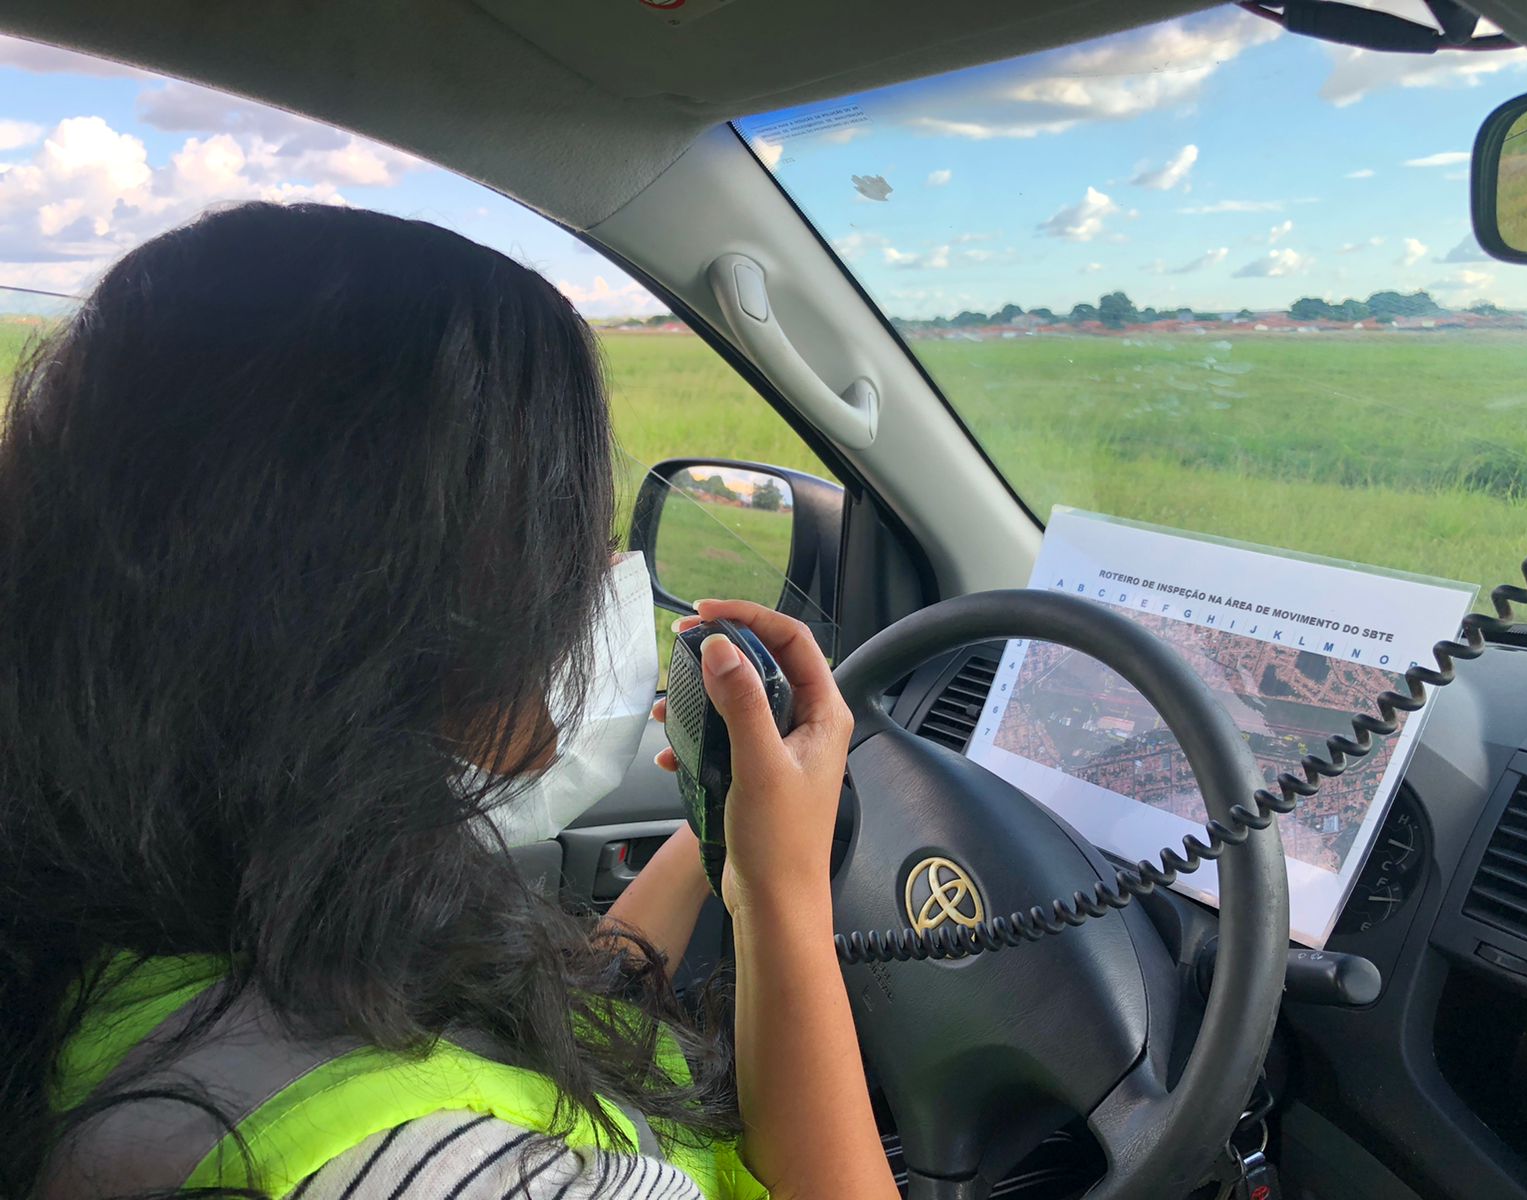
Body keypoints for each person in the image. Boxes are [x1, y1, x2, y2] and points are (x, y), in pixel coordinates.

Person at [0, 202, 900, 1200]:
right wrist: (786, 908)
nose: (602, 571)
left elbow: (497, 1020)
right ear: (384, 602)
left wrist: (719, 842)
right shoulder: (444, 1171)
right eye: (563, 536)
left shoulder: (178, 917)